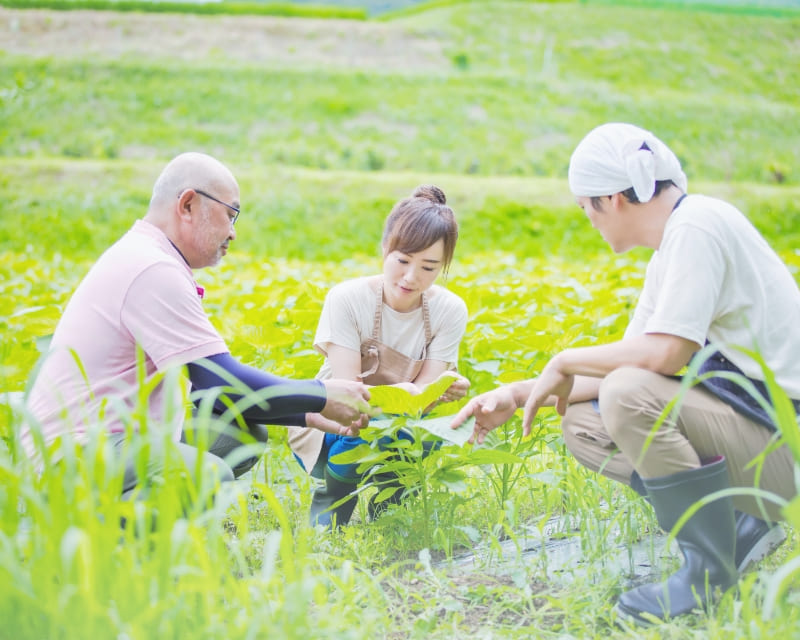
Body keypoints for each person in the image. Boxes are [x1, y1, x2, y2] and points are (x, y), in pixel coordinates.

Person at [451, 123, 800, 624]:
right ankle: (744, 524)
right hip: (762, 432)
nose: (588, 220)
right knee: (584, 424)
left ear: (611, 199)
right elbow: (638, 357)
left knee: (629, 394)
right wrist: (517, 393)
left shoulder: (697, 226)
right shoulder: (674, 246)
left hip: (787, 445)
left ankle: (708, 571)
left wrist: (565, 359)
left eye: (583, 206)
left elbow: (664, 356)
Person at [21, 152, 372, 501]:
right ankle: (106, 544)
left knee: (238, 435)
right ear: (188, 205)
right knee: (207, 474)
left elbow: (209, 393)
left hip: (108, 439)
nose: (233, 233)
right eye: (230, 215)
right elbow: (223, 382)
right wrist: (323, 395)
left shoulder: (148, 256)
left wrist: (309, 412)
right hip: (70, 453)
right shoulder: (152, 269)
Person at [289, 185, 469, 528]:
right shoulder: (347, 298)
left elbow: (423, 403)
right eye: (402, 261)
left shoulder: (449, 310)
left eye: (429, 268)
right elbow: (347, 397)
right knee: (361, 429)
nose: (411, 277)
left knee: (424, 435)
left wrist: (439, 391)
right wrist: (426, 390)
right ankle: (333, 505)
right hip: (332, 425)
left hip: (397, 422)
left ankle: (390, 513)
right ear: (385, 249)